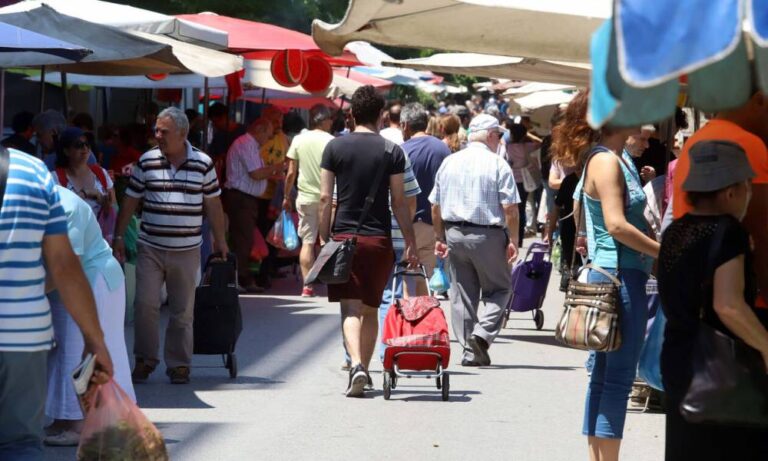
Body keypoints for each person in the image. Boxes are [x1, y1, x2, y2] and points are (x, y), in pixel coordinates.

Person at [552, 90, 660, 461]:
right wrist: (666, 252)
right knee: (615, 379)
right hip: (619, 276)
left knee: (603, 377)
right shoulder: (608, 162)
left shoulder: (609, 158)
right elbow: (616, 225)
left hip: (611, 275)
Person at [0, 147, 113, 461]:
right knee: (18, 443)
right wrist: (95, 340)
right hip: (20, 336)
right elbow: (63, 265)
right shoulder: (32, 172)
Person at [658, 140, 768, 460]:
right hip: (722, 371)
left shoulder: (676, 231)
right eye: (747, 186)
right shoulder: (728, 231)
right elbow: (728, 305)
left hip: (679, 361)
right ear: (731, 191)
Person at [113, 107, 229, 385]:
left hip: (187, 248)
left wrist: (220, 240)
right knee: (145, 305)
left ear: (182, 133)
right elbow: (130, 200)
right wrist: (118, 238)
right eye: (156, 130)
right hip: (151, 246)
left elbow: (213, 203)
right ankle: (144, 359)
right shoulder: (147, 161)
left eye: (163, 131)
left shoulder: (203, 163)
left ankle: (178, 364)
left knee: (182, 310)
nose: (157, 136)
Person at [319, 85, 418, 397]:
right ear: (381, 115)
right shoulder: (393, 152)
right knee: (372, 308)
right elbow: (400, 203)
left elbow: (325, 198)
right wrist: (412, 242)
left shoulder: (334, 148)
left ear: (350, 114)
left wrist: (325, 235)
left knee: (349, 307)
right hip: (378, 240)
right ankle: (366, 367)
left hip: (344, 236)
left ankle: (357, 366)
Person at [44, 186, 134, 447]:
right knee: (65, 351)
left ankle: (79, 423)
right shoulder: (40, 202)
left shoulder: (66, 208)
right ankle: (66, 418)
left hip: (93, 281)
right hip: (78, 281)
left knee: (75, 351)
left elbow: (68, 265)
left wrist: (29, 292)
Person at [430, 113, 520, 367]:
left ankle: (470, 350)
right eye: (499, 135)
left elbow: (435, 206)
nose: (500, 140)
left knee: (462, 294)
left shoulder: (450, 162)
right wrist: (513, 238)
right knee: (501, 288)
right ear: (490, 135)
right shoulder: (497, 164)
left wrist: (439, 236)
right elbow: (510, 208)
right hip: (488, 234)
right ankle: (480, 337)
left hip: (455, 233)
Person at [672, 90, 768, 325]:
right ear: (759, 99)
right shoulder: (745, 144)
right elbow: (763, 235)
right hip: (748, 310)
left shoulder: (698, 140)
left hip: (698, 309)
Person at [282, 104, 335, 297]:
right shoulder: (331, 141)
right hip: (327, 197)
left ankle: (308, 286)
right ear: (325, 121)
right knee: (326, 240)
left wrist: (286, 195)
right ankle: (330, 283)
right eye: (330, 119)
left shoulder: (298, 140)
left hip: (304, 196)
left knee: (307, 241)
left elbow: (290, 173)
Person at [400, 103, 450, 295]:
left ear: (405, 125)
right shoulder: (443, 150)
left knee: (407, 277)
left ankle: (409, 319)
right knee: (428, 278)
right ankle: (424, 320)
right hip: (436, 224)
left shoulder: (401, 150)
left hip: (407, 224)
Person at [224, 118, 279, 293]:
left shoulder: (251, 145)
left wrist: (271, 175)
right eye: (268, 134)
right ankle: (239, 278)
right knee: (243, 239)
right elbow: (255, 174)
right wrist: (276, 168)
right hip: (241, 199)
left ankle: (243, 277)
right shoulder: (246, 144)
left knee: (245, 239)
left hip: (245, 198)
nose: (268, 139)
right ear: (260, 129)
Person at [51, 127, 116, 230]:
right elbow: (56, 213)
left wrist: (106, 204)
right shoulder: (55, 179)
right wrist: (86, 193)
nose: (85, 148)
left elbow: (113, 211)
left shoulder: (101, 173)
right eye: (78, 145)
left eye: (87, 144)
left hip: (99, 240)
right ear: (66, 151)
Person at [255, 106, 289, 289]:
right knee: (263, 235)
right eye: (275, 120)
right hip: (261, 195)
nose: (279, 124)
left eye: (281, 120)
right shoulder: (260, 140)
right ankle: (261, 273)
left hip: (277, 195)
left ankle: (269, 270)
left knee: (275, 235)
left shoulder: (283, 138)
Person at [505, 123, 541, 246]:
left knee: (512, 208)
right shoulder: (529, 146)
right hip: (525, 181)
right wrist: (528, 135)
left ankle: (512, 237)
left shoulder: (507, 147)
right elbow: (541, 142)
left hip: (511, 180)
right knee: (522, 207)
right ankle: (519, 239)